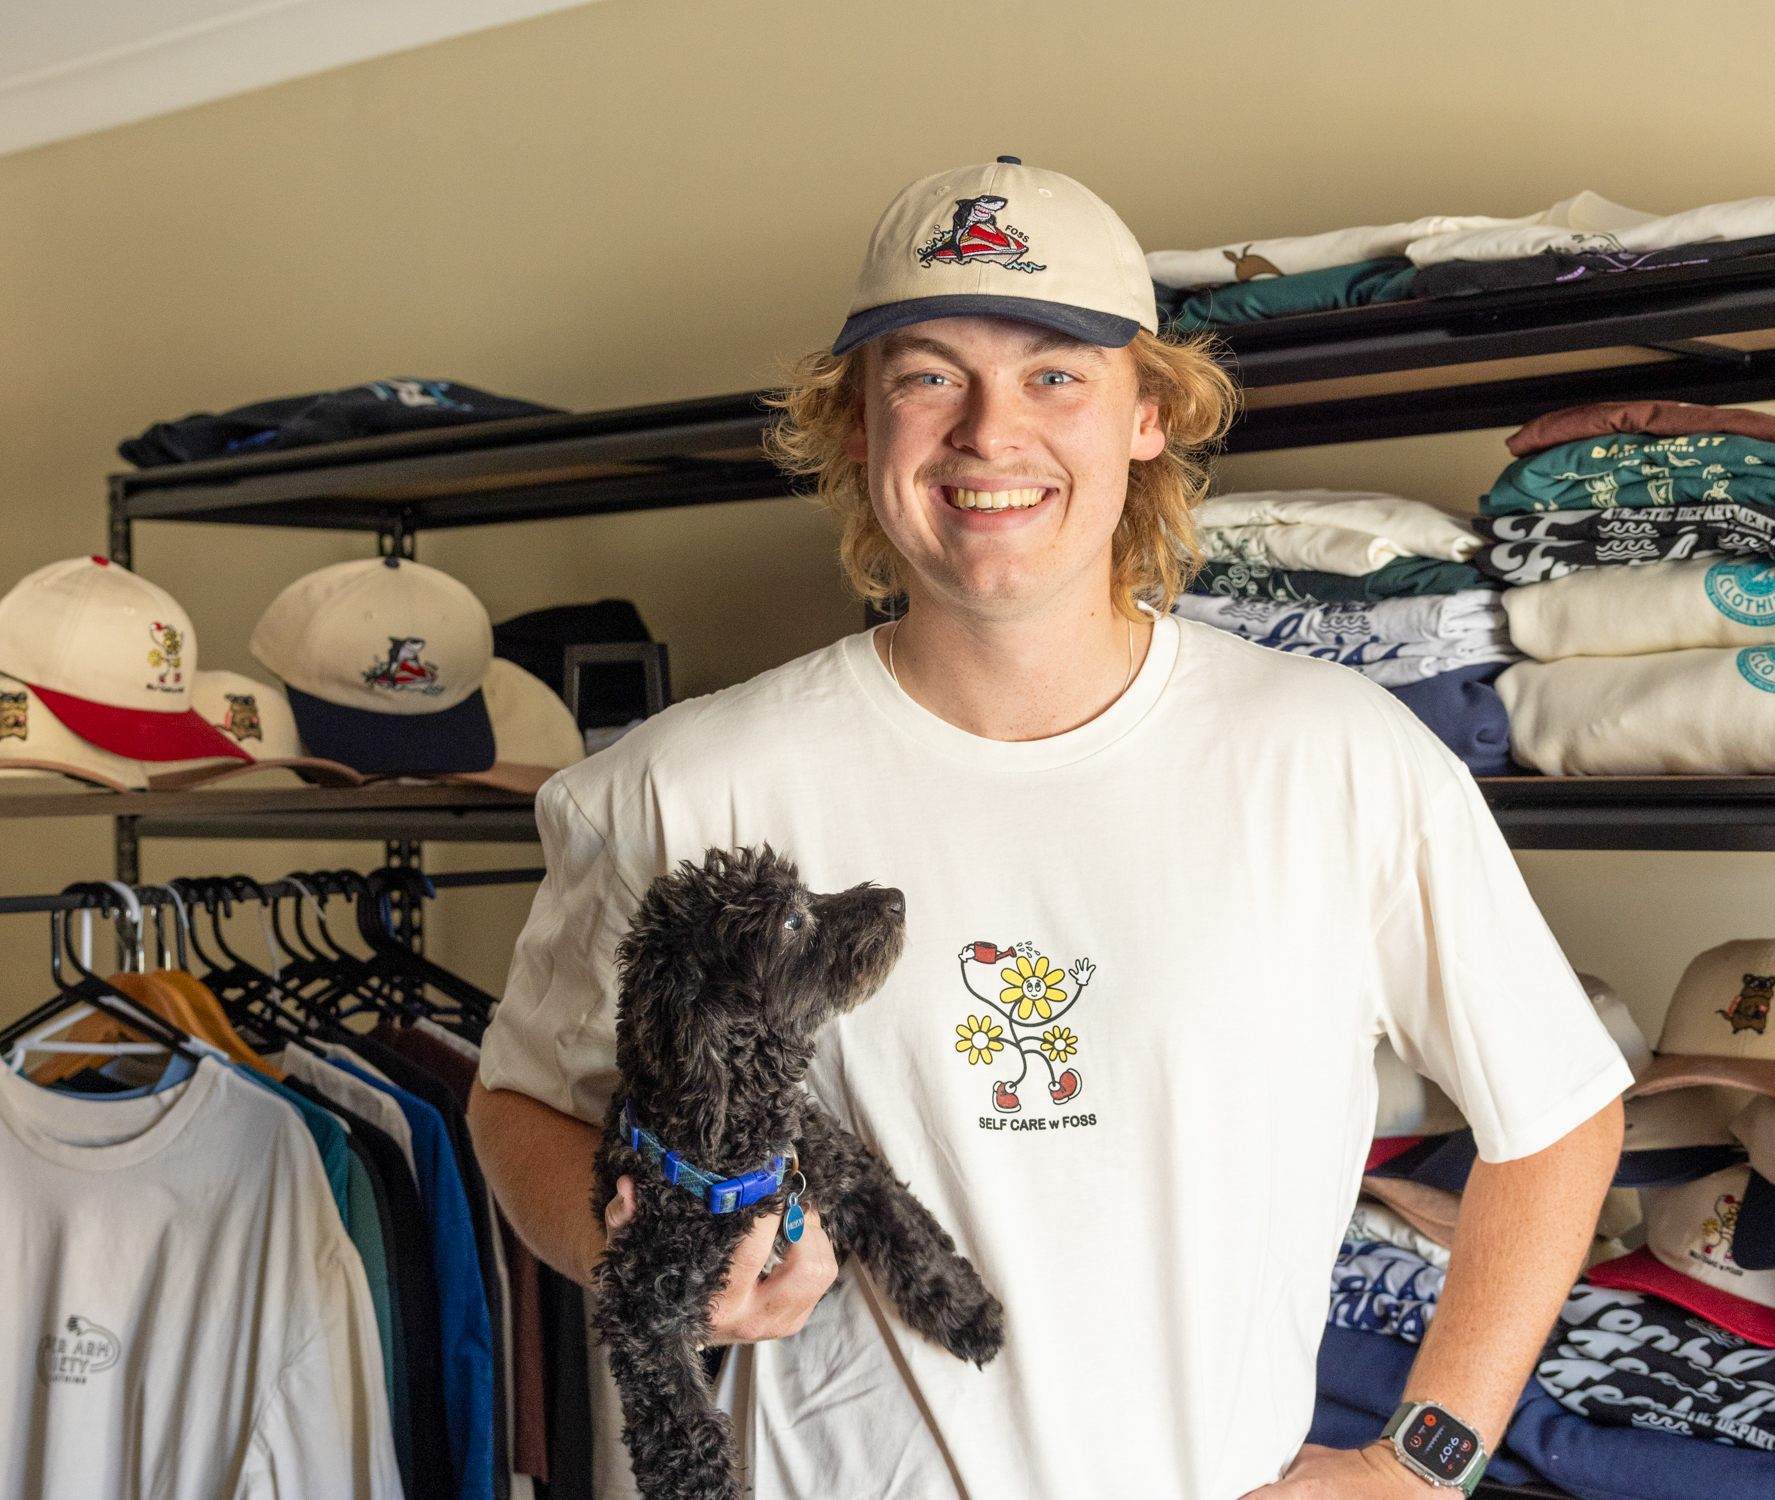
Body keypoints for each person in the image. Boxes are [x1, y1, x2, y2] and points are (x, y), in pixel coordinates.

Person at [468, 157, 1628, 1500]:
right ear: (857, 425)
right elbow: (519, 1107)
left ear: (1149, 415)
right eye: (927, 376)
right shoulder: (682, 786)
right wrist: (640, 1249)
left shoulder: (1340, 759)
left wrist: (1425, 1459)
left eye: (1055, 374)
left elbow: (1558, 1117)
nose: (988, 433)